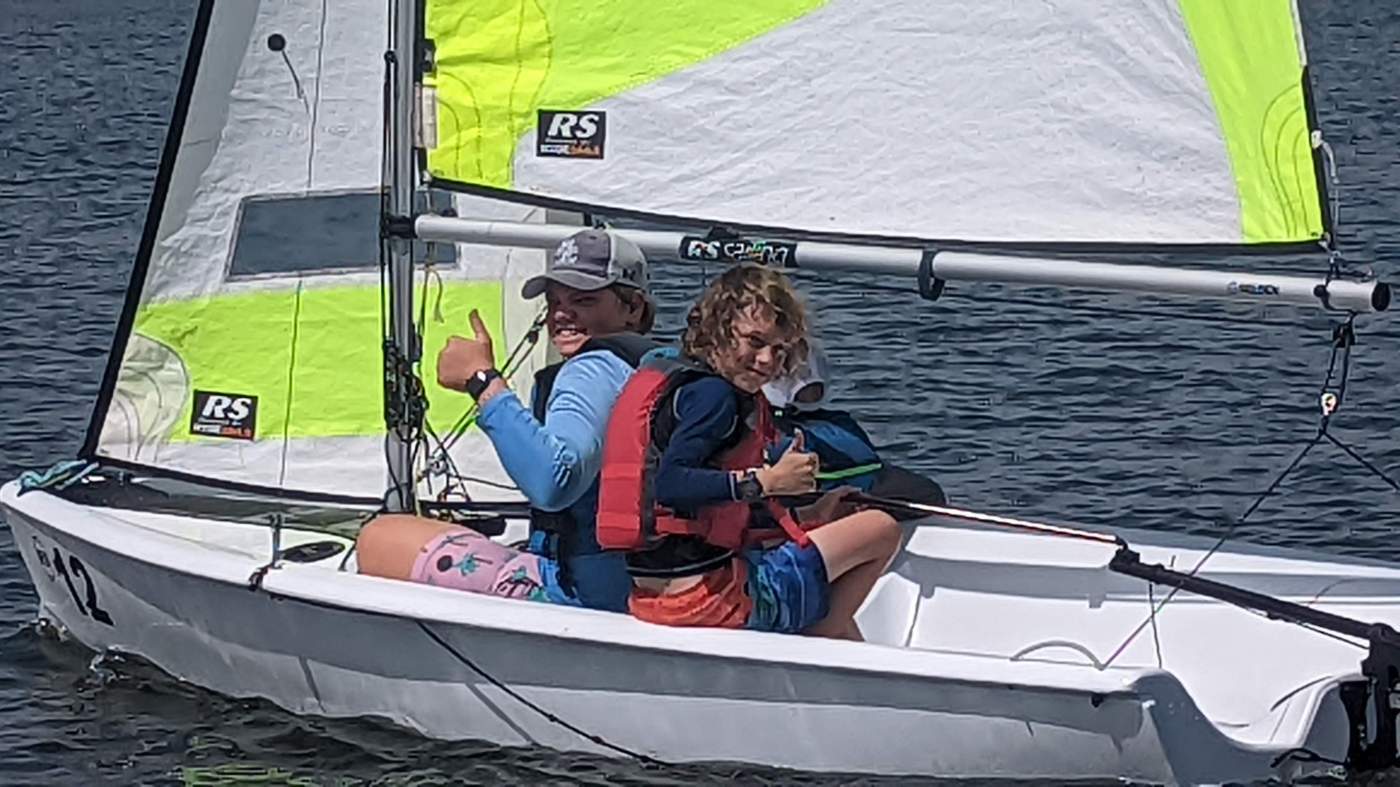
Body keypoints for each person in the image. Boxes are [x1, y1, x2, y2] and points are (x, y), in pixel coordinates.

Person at [356, 229, 657, 612]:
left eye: (583, 300)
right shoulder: (656, 363)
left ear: (634, 308)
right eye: (555, 302)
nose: (562, 314)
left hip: (583, 593)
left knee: (379, 537)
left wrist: (482, 381)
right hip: (644, 580)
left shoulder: (591, 370)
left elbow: (554, 480)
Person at [595, 265, 902, 639]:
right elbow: (672, 484)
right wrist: (766, 481)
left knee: (822, 575)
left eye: (779, 350)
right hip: (712, 602)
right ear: (716, 329)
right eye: (754, 342)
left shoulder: (684, 386)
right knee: (880, 528)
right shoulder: (716, 398)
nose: (768, 361)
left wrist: (809, 512)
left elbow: (704, 506)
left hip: (652, 598)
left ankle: (828, 647)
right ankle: (821, 646)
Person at [764, 343, 947, 507]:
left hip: (866, 482)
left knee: (926, 491)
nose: (808, 383)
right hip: (832, 493)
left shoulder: (834, 420)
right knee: (926, 493)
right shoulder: (770, 428)